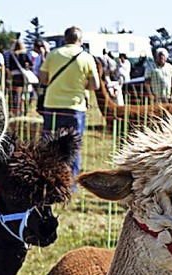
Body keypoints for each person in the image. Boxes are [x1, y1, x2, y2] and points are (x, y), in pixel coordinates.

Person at [39, 26, 99, 177]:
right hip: (75, 107)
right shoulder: (86, 57)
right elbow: (95, 85)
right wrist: (81, 84)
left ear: (65, 39)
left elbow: (43, 78)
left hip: (52, 105)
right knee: (74, 146)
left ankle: (46, 175)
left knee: (48, 143)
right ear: (80, 40)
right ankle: (70, 181)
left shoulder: (53, 54)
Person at [5, 40, 33, 116]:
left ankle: (13, 111)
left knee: (13, 94)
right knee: (23, 94)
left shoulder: (11, 54)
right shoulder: (25, 54)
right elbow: (31, 64)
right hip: (22, 76)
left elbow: (8, 67)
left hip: (14, 76)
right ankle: (24, 111)